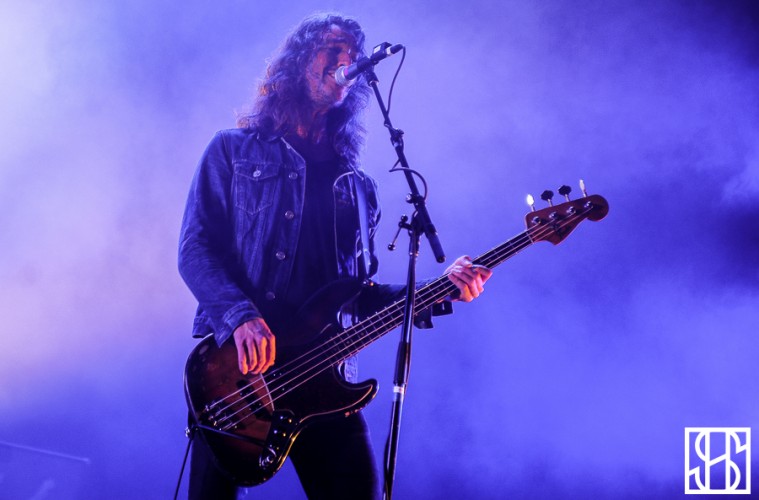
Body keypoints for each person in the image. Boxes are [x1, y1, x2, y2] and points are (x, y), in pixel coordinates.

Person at [178, 13, 492, 500]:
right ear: (298, 61)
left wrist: (440, 289)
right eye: (332, 49)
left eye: (353, 54)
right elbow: (195, 249)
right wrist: (241, 317)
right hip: (236, 375)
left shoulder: (359, 187)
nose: (346, 61)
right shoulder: (232, 151)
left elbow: (358, 296)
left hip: (324, 379)